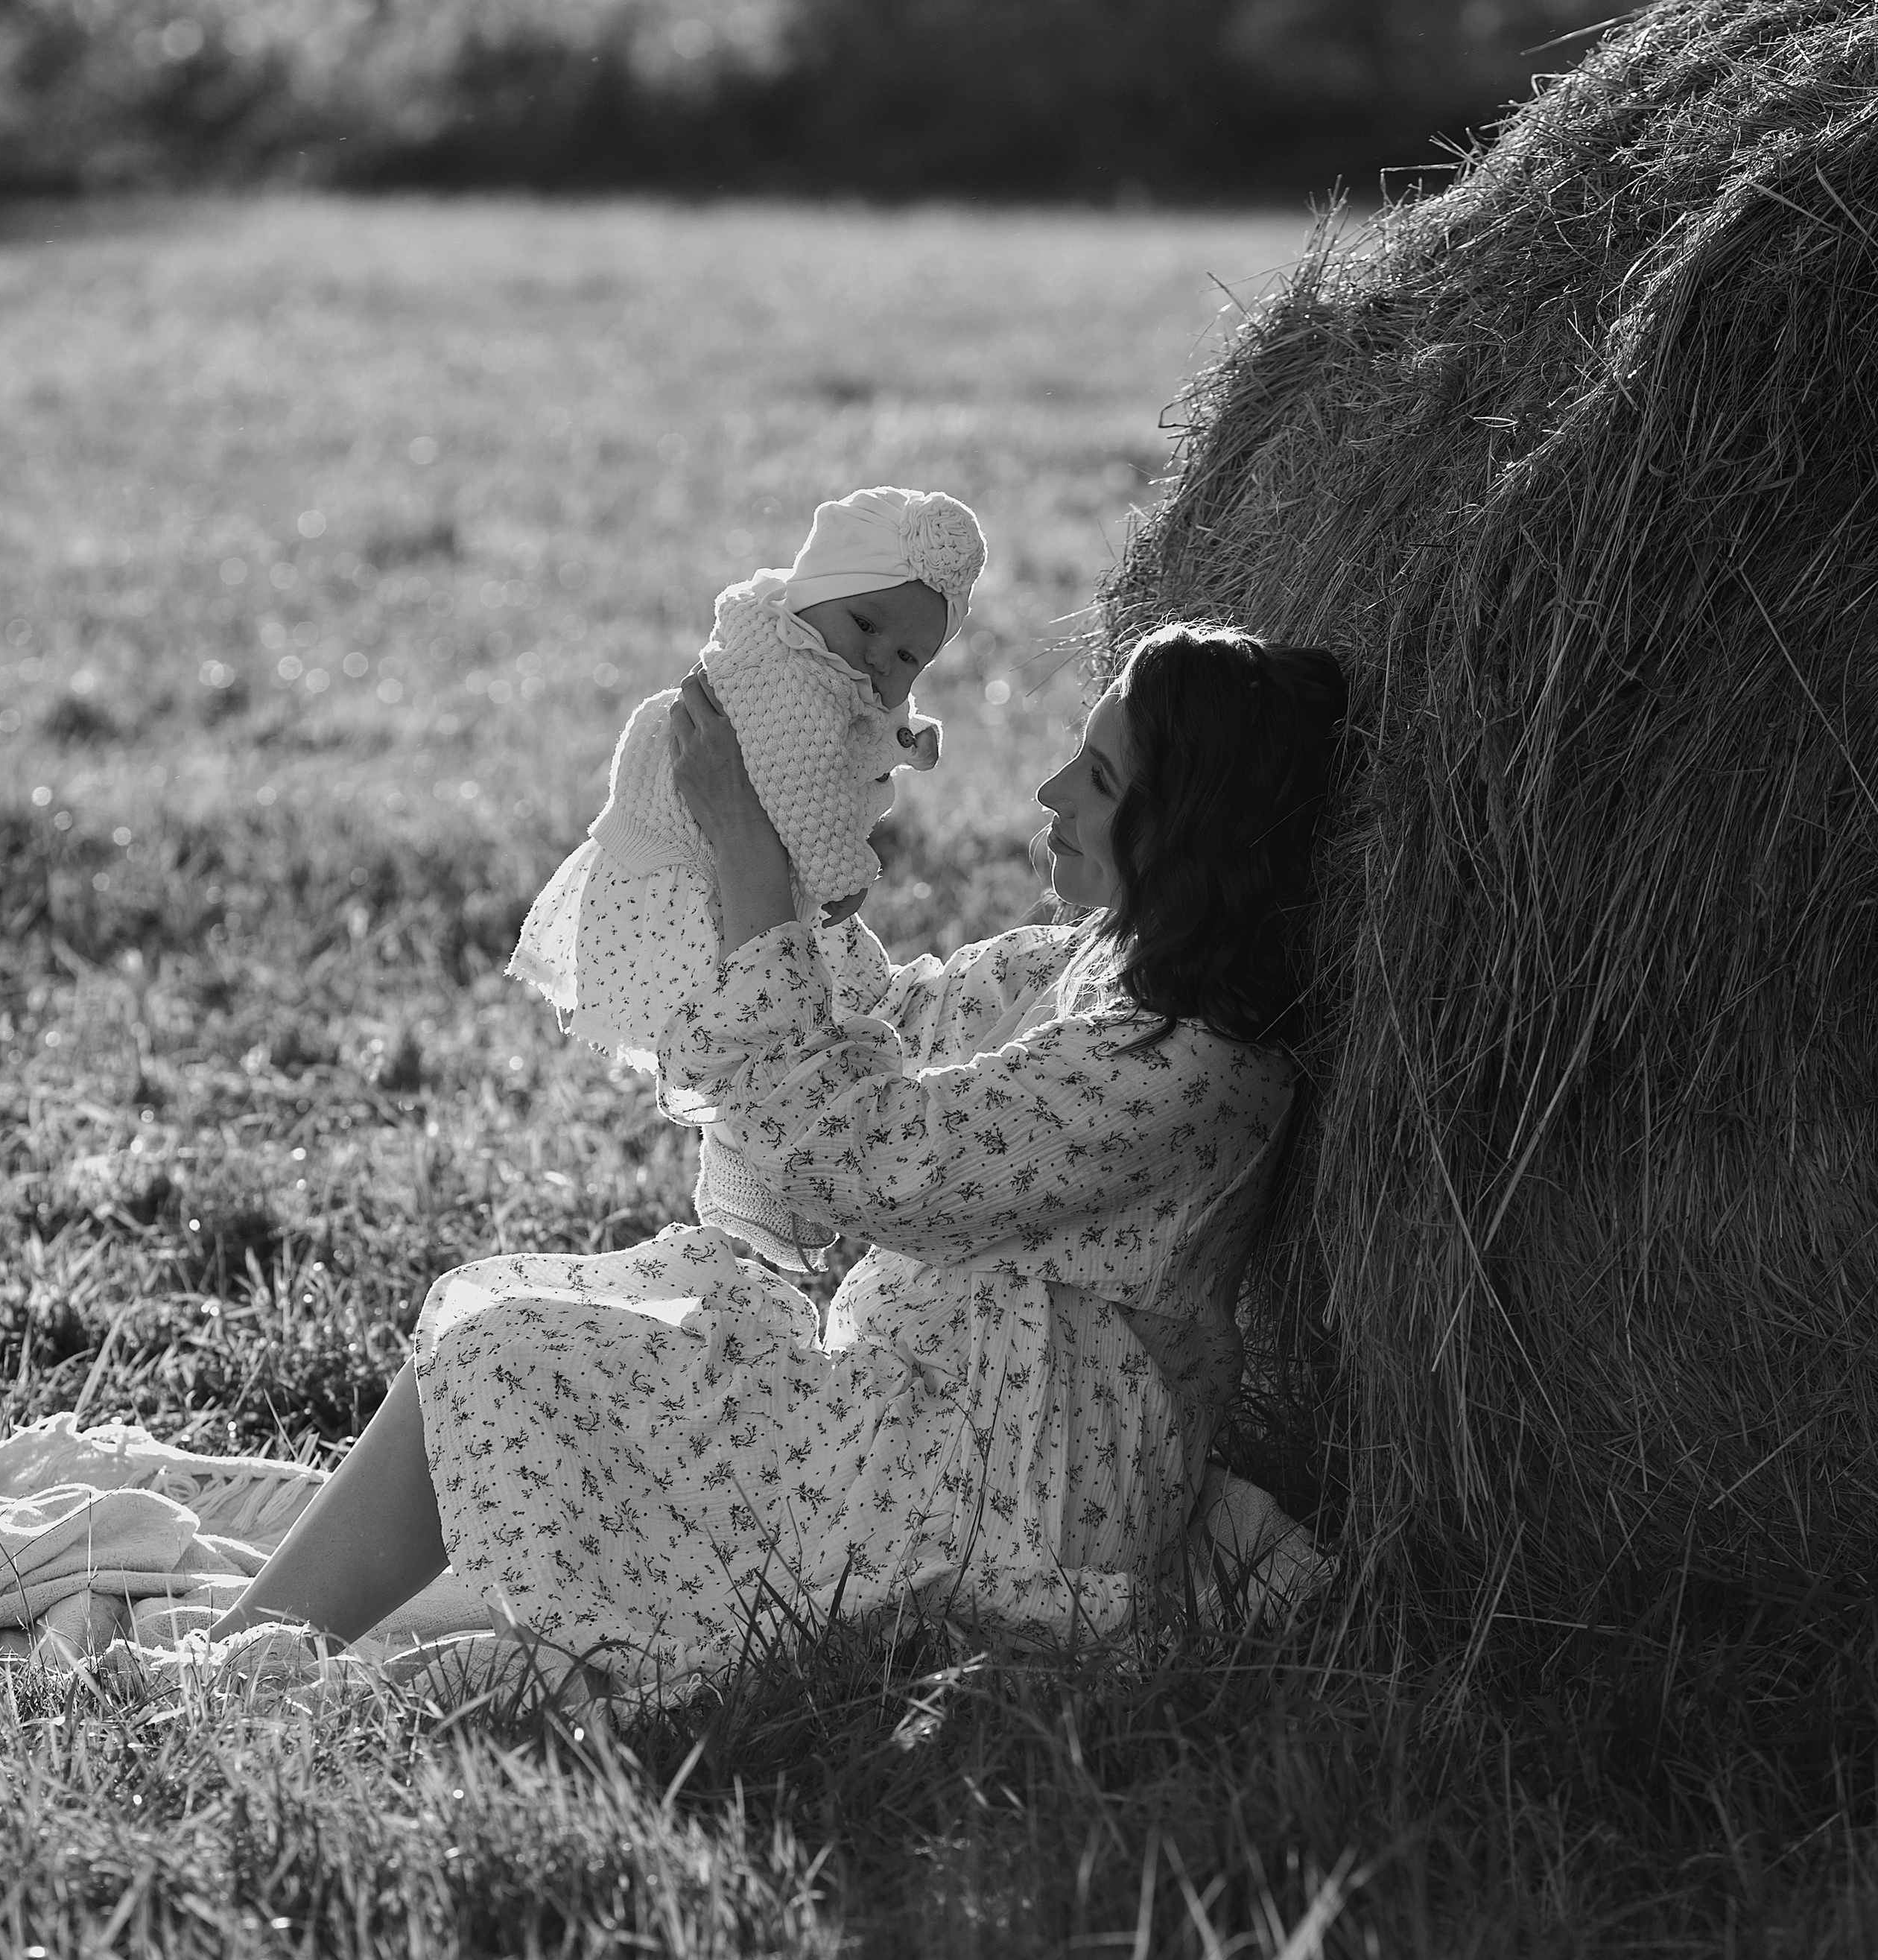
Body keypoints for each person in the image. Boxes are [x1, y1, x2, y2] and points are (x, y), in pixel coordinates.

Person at [208, 624, 1352, 1679]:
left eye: (1098, 779)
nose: (1051, 792)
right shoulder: (1090, 969)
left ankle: (240, 1666)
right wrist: (796, 832)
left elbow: (879, 1153)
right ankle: (247, 1653)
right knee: (511, 1347)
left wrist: (755, 871)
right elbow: (887, 1025)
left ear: (1191, 831)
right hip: (911, 1439)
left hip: (983, 1506)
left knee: (513, 1356)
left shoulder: (1186, 1074)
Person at [507, 483, 986, 1262]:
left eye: (906, 657)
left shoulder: (823, 661)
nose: (878, 658)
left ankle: (759, 1172)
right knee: (747, 1028)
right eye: (867, 625)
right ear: (814, 593)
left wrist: (905, 738)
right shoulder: (785, 675)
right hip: (690, 872)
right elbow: (800, 794)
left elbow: (856, 733)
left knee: (784, 1019)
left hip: (738, 871)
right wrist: (842, 873)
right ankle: (756, 1171)